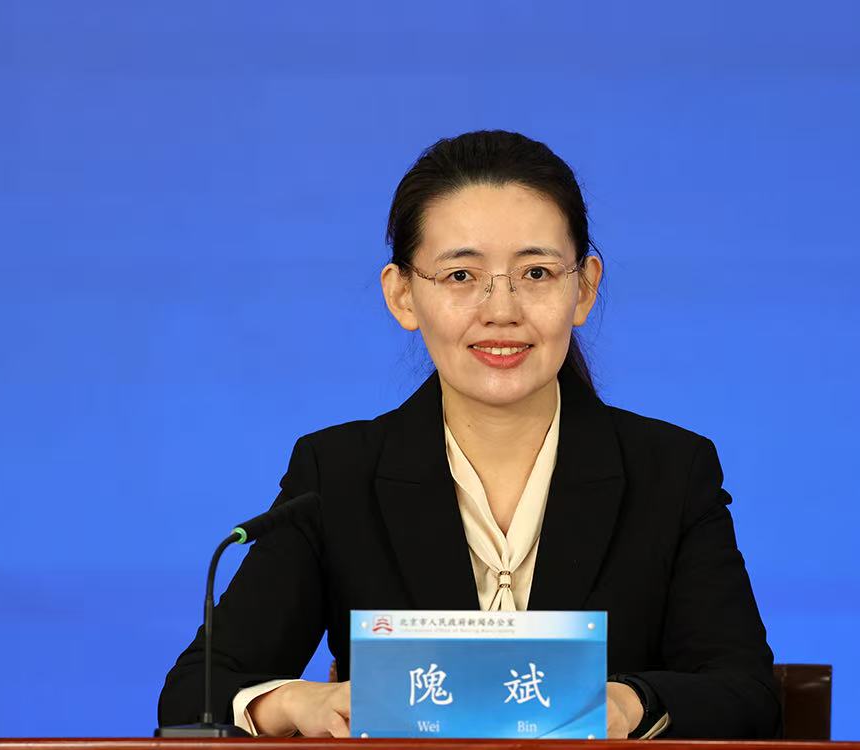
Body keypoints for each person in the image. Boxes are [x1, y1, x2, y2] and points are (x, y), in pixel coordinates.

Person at [157, 129, 780, 740]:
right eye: (461, 276)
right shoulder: (337, 475)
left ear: (584, 288)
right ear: (402, 295)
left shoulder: (671, 472)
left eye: (536, 273)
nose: (501, 310)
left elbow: (747, 696)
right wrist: (300, 702)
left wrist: (627, 703)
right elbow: (194, 692)